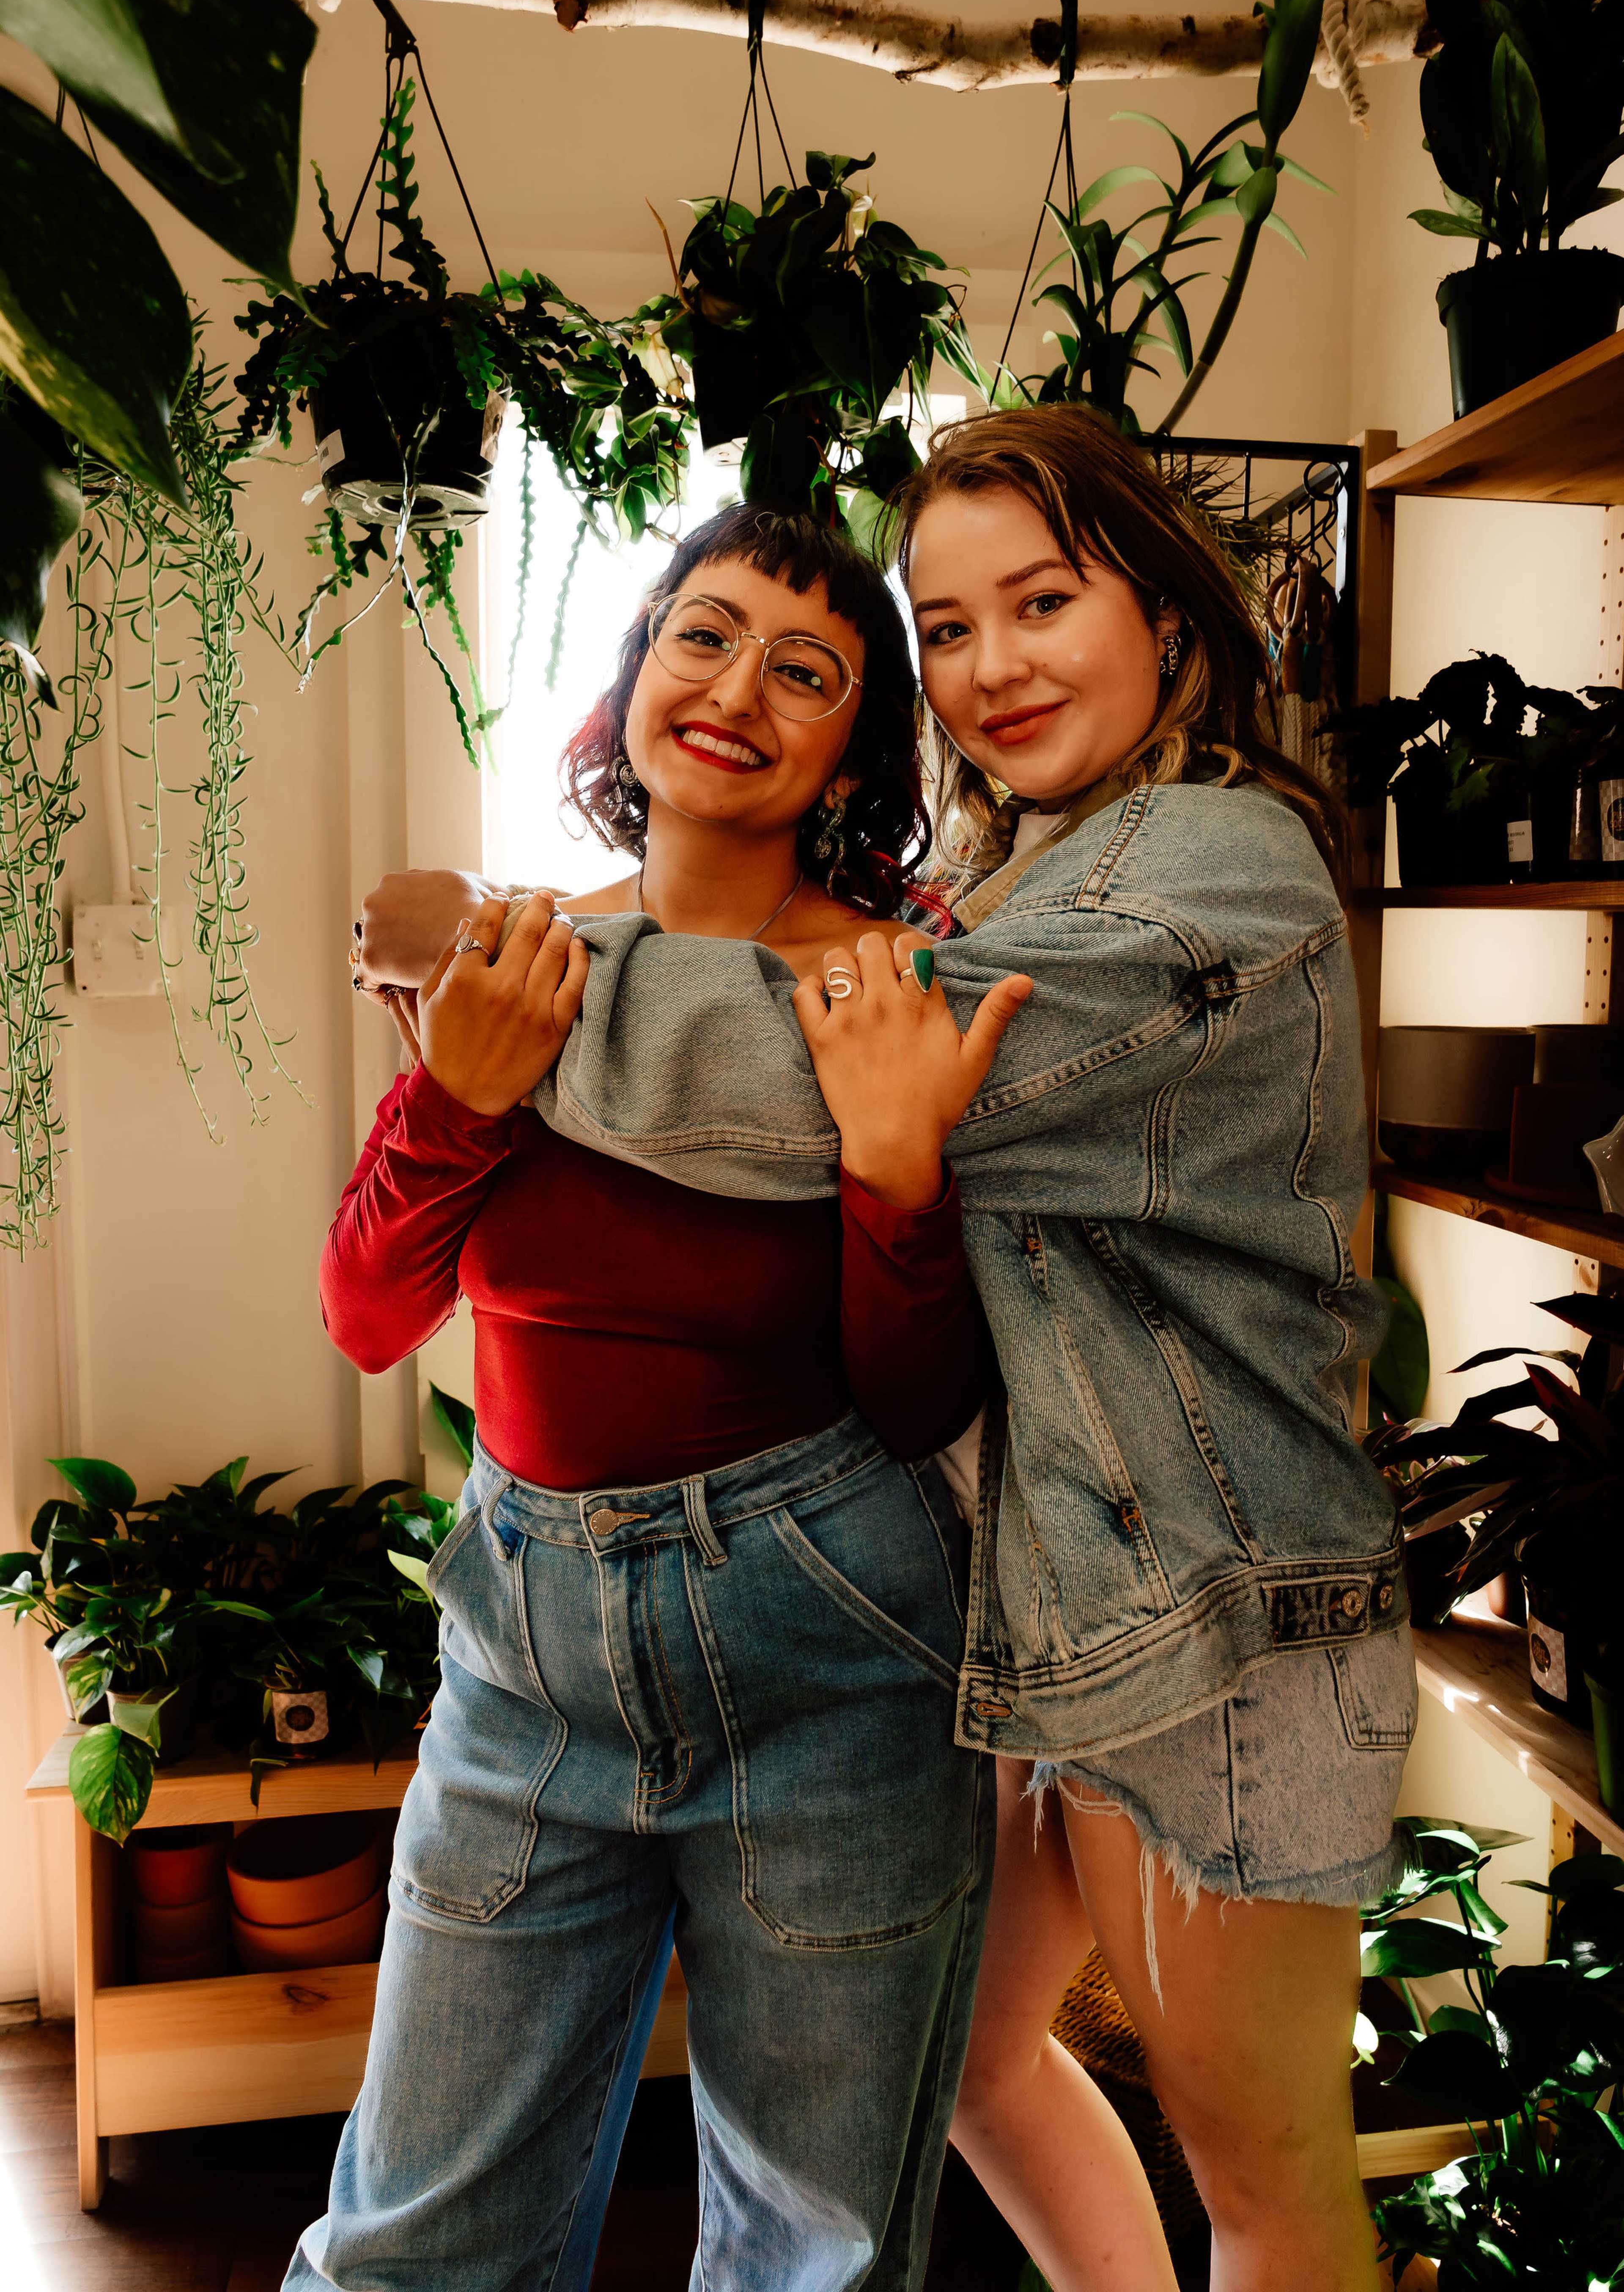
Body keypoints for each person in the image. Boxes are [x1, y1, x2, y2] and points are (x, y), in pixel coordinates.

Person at [364, 407, 1412, 2292]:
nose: (993, 664)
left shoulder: (1202, 875)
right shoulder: (1027, 874)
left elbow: (825, 1118)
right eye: (951, 627)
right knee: (978, 2071)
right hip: (1016, 1590)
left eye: (1043, 603)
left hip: (1211, 1602)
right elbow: (374, 1297)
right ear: (633, 675)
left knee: (1256, 2181)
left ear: (1170, 620)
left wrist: (467, 972)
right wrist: (467, 1059)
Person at [293, 506, 1034, 2292]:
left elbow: (918, 1397)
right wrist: (457, 1101)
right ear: (636, 673)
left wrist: (895, 1171)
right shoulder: (510, 964)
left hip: (832, 1656)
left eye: (806, 670)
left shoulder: (882, 989)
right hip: (527, 1668)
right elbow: (370, 1316)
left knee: (813, 2260)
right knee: (408, 2253)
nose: (735, 690)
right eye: (701, 636)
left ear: (855, 748)